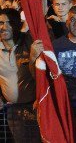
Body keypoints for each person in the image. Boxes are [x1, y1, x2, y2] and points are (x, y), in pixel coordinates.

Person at [0, 8, 41, 141]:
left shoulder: (30, 43)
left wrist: (33, 57)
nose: (4, 27)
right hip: (13, 111)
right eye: (1, 23)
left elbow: (42, 74)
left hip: (35, 108)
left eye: (9, 23)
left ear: (18, 24)